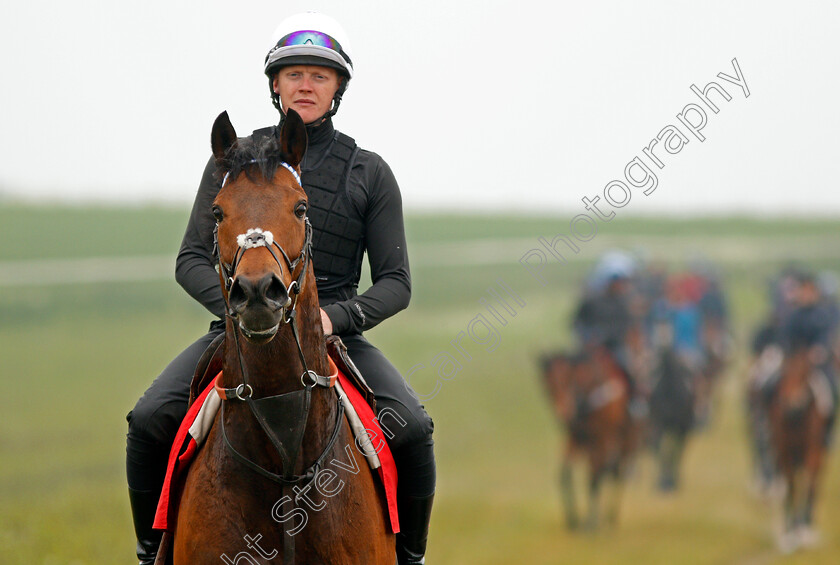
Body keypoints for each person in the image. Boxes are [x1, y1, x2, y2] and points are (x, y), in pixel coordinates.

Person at [125, 12, 435, 565]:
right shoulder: (231, 163)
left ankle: (410, 558)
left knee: (412, 428)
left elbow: (396, 283)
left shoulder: (369, 172)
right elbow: (191, 259)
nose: (306, 85)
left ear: (338, 88)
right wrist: (240, 306)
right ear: (275, 85)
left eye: (319, 75)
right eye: (294, 75)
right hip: (240, 327)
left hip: (332, 331)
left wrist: (333, 319)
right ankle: (152, 555)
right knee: (149, 420)